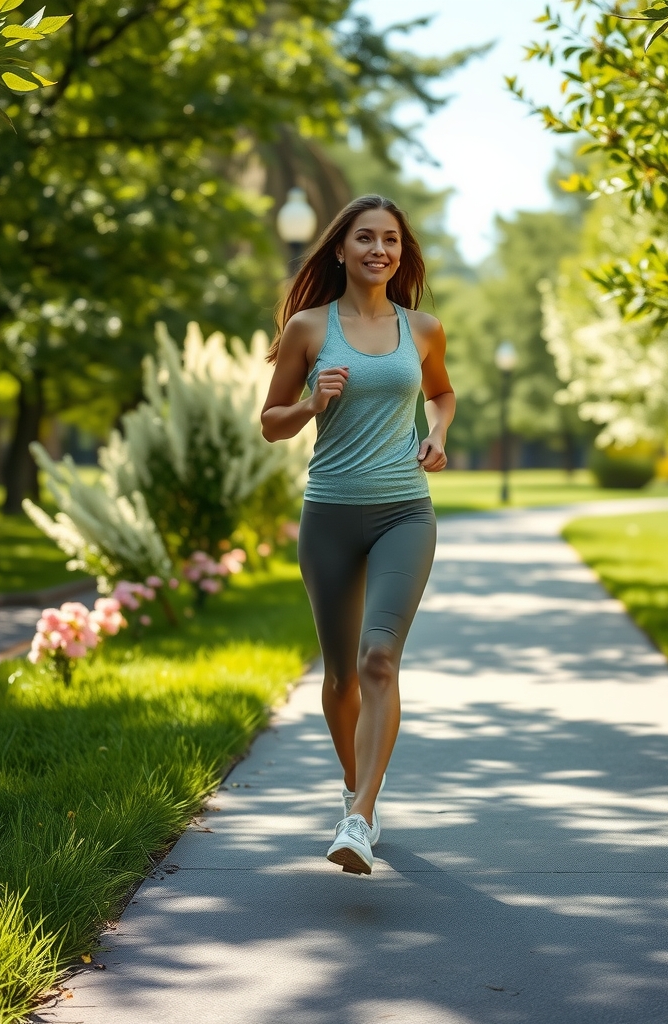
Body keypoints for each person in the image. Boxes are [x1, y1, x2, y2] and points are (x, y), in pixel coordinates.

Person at [261, 194, 455, 875]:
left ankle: (360, 816)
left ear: (403, 254)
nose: (380, 250)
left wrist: (435, 435)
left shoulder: (423, 328)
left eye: (392, 241)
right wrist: (313, 401)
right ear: (340, 249)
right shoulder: (310, 330)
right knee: (341, 675)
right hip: (331, 514)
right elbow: (271, 421)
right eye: (366, 238)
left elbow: (442, 393)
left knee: (379, 661)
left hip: (405, 510)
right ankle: (354, 784)